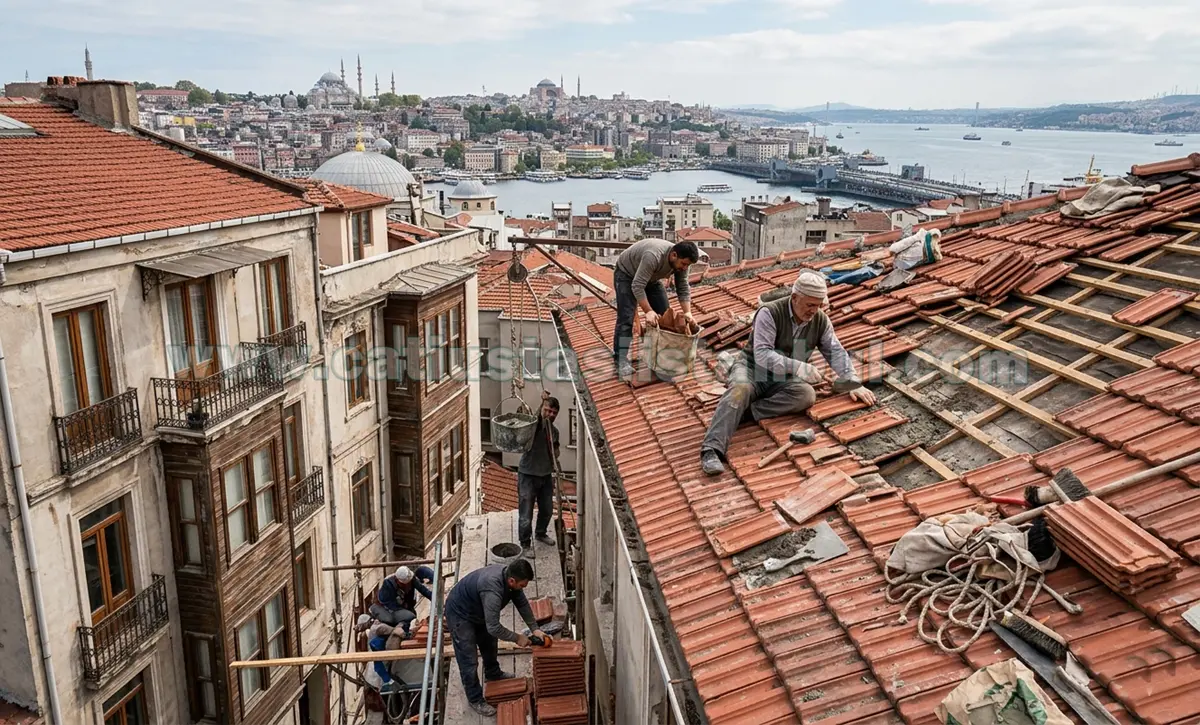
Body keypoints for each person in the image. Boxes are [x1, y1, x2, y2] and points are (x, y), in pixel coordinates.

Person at [699, 270, 878, 476]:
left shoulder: (821, 320)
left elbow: (835, 351)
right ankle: (712, 449)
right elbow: (762, 355)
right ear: (794, 297)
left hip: (782, 378)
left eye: (818, 305)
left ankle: (745, 411)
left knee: (806, 395)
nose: (814, 310)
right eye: (810, 305)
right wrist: (799, 367)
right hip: (751, 369)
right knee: (740, 389)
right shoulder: (769, 312)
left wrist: (853, 382)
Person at [445, 559, 548, 717]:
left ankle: (493, 673)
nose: (523, 588)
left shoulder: (510, 577)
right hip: (460, 613)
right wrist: (517, 638)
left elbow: (522, 603)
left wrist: (535, 629)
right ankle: (475, 698)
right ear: (512, 581)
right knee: (468, 658)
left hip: (478, 610)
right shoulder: (492, 589)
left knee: (489, 642)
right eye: (522, 585)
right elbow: (493, 627)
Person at [613, 239, 700, 378]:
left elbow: (683, 287)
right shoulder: (653, 256)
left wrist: (688, 312)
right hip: (626, 275)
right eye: (684, 264)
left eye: (687, 265)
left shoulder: (682, 262)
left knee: (665, 315)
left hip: (651, 278)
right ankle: (620, 360)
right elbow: (637, 285)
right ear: (674, 255)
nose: (685, 268)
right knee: (626, 318)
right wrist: (648, 311)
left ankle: (660, 354)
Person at [518, 392, 560, 558]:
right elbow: (530, 427)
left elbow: (555, 451)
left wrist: (555, 460)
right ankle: (525, 543)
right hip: (528, 474)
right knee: (526, 512)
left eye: (553, 412)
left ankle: (540, 533)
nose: (550, 414)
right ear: (542, 409)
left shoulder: (554, 432)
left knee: (547, 509)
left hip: (545, 475)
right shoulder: (534, 427)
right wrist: (541, 403)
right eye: (547, 410)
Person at [370, 565, 434, 633]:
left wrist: (433, 598)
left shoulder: (411, 578)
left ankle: (407, 631)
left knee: (411, 616)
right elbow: (389, 604)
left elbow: (422, 589)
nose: (408, 585)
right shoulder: (388, 584)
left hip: (406, 604)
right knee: (403, 619)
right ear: (398, 581)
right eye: (406, 584)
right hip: (388, 608)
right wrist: (403, 610)